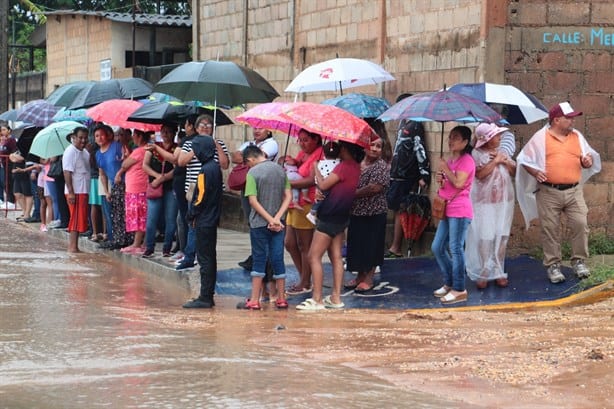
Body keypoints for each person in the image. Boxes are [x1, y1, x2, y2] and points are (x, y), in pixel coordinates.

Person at [516, 102, 601, 283]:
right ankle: (553, 265)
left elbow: (588, 158)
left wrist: (587, 162)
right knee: (550, 229)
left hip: (574, 190)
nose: (573, 121)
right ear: (556, 120)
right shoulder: (541, 138)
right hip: (548, 191)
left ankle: (579, 261)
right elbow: (524, 159)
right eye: (569, 118)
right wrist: (535, 172)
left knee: (580, 223)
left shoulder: (577, 136)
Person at [296, 141, 363, 311]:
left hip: (329, 216)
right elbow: (336, 188)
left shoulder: (342, 167)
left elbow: (324, 184)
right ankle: (335, 297)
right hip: (342, 216)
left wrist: (316, 168)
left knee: (313, 256)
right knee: (336, 257)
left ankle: (317, 298)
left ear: (345, 149)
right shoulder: (355, 167)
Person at [236, 145, 292, 310]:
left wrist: (268, 219)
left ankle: (255, 300)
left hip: (259, 224)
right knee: (277, 258)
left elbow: (253, 201)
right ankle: (281, 299)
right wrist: (276, 219)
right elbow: (288, 196)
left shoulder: (252, 173)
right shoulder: (281, 171)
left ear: (250, 160)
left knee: (259, 259)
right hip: (279, 223)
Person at [172, 114, 229, 270]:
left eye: (208, 125)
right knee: (192, 223)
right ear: (196, 128)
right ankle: (190, 255)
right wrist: (196, 150)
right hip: (194, 188)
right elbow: (181, 162)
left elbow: (225, 165)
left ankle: (203, 255)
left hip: (213, 190)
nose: (205, 127)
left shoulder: (219, 143)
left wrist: (216, 146)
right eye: (202, 125)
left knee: (209, 225)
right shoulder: (190, 143)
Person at [465, 123, 516, 289]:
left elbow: (513, 171)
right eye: (496, 136)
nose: (499, 138)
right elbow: (479, 174)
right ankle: (485, 268)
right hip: (485, 204)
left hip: (503, 202)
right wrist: (495, 162)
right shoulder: (477, 154)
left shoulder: (501, 152)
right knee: (486, 237)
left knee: (501, 236)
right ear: (486, 140)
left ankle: (499, 268)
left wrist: (505, 161)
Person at [431, 126, 475, 305]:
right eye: (450, 137)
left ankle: (459, 288)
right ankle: (449, 281)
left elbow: (458, 183)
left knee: (455, 248)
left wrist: (445, 169)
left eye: (456, 138)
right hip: (448, 208)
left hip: (460, 210)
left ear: (465, 142)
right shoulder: (449, 161)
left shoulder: (467, 161)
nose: (451, 140)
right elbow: (446, 186)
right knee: (437, 247)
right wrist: (440, 179)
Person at [277, 130, 323, 295]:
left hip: (307, 203)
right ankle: (303, 276)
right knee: (289, 243)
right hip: (294, 203)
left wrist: (287, 184)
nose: (302, 143)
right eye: (300, 140)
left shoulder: (319, 154)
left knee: (305, 244)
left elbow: (312, 180)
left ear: (316, 139)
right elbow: (295, 165)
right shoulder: (304, 153)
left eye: (306, 140)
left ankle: (305, 281)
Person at [386, 96, 431, 258]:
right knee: (396, 208)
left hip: (407, 175)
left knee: (401, 209)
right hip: (396, 173)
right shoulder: (402, 123)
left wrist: (424, 174)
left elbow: (420, 149)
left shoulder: (415, 124)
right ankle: (394, 246)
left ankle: (396, 247)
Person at [344, 136, 390, 292]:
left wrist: (352, 194)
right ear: (364, 146)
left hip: (374, 213)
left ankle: (369, 279)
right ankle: (359, 277)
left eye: (379, 146)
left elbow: (374, 188)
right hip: (357, 212)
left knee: (372, 245)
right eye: (372, 145)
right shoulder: (358, 164)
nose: (375, 149)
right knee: (357, 245)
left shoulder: (381, 166)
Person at [182, 137, 223, 309]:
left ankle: (205, 297)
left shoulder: (205, 170)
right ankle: (207, 294)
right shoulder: (215, 168)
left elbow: (199, 197)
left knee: (205, 259)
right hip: (212, 218)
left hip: (204, 220)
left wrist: (191, 215)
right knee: (209, 258)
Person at [230, 127, 279, 271]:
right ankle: (256, 255)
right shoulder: (249, 144)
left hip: (263, 187)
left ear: (269, 131)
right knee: (252, 222)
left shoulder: (271, 144)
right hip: (248, 184)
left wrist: (244, 155)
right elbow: (234, 157)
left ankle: (264, 259)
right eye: (255, 127)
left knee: (261, 223)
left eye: (261, 128)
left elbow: (256, 159)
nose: (257, 130)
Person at [142, 123, 178, 257]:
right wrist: (157, 177)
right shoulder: (152, 147)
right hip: (155, 186)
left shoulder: (177, 149)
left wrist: (163, 179)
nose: (165, 135)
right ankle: (149, 247)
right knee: (152, 218)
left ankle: (167, 249)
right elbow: (145, 165)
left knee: (171, 219)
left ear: (174, 134)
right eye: (163, 132)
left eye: (169, 132)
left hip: (170, 187)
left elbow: (177, 168)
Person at [115, 129, 150, 254]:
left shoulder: (140, 151)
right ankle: (141, 243)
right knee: (141, 216)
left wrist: (126, 158)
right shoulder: (145, 149)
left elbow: (125, 164)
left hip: (137, 188)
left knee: (138, 216)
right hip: (138, 187)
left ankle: (137, 244)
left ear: (140, 137)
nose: (133, 137)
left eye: (134, 135)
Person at [96, 125, 131, 250]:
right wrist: (106, 191)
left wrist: (120, 171)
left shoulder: (117, 146)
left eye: (102, 135)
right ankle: (116, 239)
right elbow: (102, 173)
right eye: (97, 136)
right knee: (115, 214)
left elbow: (128, 160)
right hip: (113, 185)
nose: (100, 138)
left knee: (123, 213)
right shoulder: (98, 154)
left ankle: (126, 240)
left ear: (108, 135)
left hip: (126, 183)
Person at [62, 127, 91, 253]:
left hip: (84, 189)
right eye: (80, 138)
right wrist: (71, 192)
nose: (83, 141)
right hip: (76, 190)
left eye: (85, 138)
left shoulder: (85, 152)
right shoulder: (70, 151)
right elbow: (67, 172)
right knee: (75, 218)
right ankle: (72, 247)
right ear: (74, 137)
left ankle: (75, 246)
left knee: (80, 219)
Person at [306, 141, 341, 225]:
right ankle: (312, 212)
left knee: (319, 198)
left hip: (319, 183)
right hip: (329, 184)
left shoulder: (320, 163)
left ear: (324, 153)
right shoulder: (339, 163)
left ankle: (313, 211)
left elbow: (317, 174)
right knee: (321, 198)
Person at [0, 123, 17, 206]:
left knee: (9, 183)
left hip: (10, 164)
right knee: (6, 182)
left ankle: (11, 201)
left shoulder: (11, 140)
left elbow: (14, 151)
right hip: (4, 164)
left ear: (9, 130)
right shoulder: (5, 140)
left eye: (4, 130)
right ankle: (8, 200)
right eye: (1, 130)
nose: (2, 132)